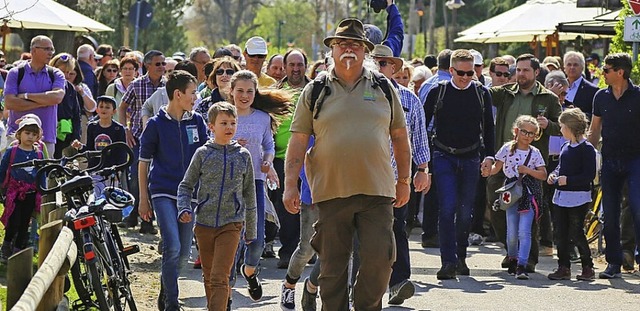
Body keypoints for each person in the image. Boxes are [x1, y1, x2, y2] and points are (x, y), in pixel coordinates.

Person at [283, 18, 410, 310]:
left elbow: (401, 138)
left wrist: (404, 180)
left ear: (366, 51)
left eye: (355, 44)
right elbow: (299, 142)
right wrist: (291, 185)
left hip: (377, 191)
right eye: (342, 44)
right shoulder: (315, 90)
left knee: (380, 260)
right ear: (333, 50)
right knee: (332, 269)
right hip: (330, 192)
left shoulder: (383, 87)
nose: (348, 50)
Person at [176, 101, 257, 311]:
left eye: (232, 122)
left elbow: (250, 193)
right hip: (204, 223)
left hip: (232, 224)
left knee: (221, 277)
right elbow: (186, 185)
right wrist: (184, 208)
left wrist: (251, 229)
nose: (229, 127)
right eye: (224, 123)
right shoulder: (203, 154)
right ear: (211, 126)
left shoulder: (242, 155)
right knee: (210, 276)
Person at [138, 70, 207, 310]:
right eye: (192, 92)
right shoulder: (156, 125)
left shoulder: (197, 121)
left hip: (189, 195)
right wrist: (143, 199)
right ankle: (172, 303)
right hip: (163, 192)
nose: (196, 97)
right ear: (178, 94)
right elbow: (143, 162)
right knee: (173, 246)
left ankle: (166, 289)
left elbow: (206, 156)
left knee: (183, 252)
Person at [423, 49, 495, 280]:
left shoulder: (482, 93)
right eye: (461, 73)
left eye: (470, 73)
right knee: (447, 207)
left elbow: (489, 127)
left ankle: (461, 256)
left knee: (465, 212)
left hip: (471, 156)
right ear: (451, 70)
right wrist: (423, 163)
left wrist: (490, 156)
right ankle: (448, 261)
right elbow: (423, 126)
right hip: (443, 155)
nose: (465, 77)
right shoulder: (438, 91)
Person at [486, 54, 561, 273]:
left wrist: (550, 125)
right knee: (497, 206)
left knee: (530, 215)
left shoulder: (548, 98)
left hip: (531, 165)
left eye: (525, 70)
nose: (520, 74)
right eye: (517, 70)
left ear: (536, 73)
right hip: (504, 161)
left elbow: (562, 127)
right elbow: (482, 93)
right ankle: (512, 251)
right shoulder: (506, 93)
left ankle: (527, 258)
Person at [371, 44, 430, 304]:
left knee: (397, 230)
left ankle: (399, 283)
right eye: (375, 63)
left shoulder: (409, 99)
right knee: (361, 235)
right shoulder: (360, 96)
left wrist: (422, 170)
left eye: (384, 63)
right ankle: (360, 287)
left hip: (397, 179)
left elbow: (419, 137)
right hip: (364, 177)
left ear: (394, 68)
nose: (379, 68)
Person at [227, 70, 286, 303]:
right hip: (228, 183)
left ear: (255, 93)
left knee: (257, 240)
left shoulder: (262, 118)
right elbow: (211, 143)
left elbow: (269, 146)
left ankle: (249, 270)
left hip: (255, 183)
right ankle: (227, 294)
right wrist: (231, 144)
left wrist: (267, 161)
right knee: (231, 239)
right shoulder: (224, 114)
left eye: (249, 91)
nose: (244, 95)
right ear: (231, 92)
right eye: (239, 91)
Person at [588, 52, 640, 278]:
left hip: (636, 160)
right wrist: (586, 152)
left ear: (620, 72)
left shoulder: (639, 96)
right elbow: (594, 129)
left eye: (606, 70)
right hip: (609, 161)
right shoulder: (601, 97)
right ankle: (613, 263)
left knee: (638, 210)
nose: (602, 73)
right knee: (609, 213)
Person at [484, 115, 547, 280]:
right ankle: (512, 257)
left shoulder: (535, 153)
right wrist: (486, 169)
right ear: (517, 131)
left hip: (529, 192)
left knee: (524, 231)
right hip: (511, 192)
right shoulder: (507, 148)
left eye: (532, 133)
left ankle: (522, 265)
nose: (527, 136)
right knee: (511, 232)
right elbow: (496, 169)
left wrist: (528, 170)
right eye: (524, 132)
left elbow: (543, 174)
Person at [118, 50, 167, 234]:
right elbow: (122, 108)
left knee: (154, 179)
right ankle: (133, 214)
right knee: (137, 180)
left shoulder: (168, 86)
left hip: (162, 140)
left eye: (163, 63)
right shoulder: (136, 85)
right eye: (157, 64)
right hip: (139, 138)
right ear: (147, 65)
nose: (162, 67)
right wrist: (125, 129)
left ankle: (148, 220)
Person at [546, 108, 596, 281]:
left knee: (576, 232)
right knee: (560, 231)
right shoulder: (566, 146)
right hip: (561, 196)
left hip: (578, 197)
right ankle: (563, 266)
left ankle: (587, 267)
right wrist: (554, 174)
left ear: (570, 127)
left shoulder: (587, 149)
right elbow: (561, 166)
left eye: (562, 127)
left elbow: (588, 175)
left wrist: (569, 180)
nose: (560, 130)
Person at [4, 35, 65, 156]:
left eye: (52, 49)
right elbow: (10, 103)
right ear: (34, 50)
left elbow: (57, 97)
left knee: (43, 174)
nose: (51, 53)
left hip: (46, 138)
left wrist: (26, 96)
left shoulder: (56, 74)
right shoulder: (16, 73)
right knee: (14, 173)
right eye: (47, 49)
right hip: (17, 137)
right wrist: (46, 101)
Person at [0, 115, 44, 262]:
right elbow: (2, 170)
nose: (30, 137)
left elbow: (41, 173)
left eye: (34, 134)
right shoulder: (12, 151)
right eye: (27, 133)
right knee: (13, 220)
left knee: (25, 222)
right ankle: (6, 246)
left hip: (31, 193)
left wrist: (42, 191)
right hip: (14, 192)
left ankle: (18, 250)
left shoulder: (38, 154)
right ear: (19, 134)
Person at [71, 96, 127, 197]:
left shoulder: (118, 129)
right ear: (97, 109)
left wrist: (119, 169)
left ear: (113, 111)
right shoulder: (92, 127)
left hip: (111, 170)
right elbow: (90, 149)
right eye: (101, 106)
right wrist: (80, 147)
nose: (103, 109)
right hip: (95, 169)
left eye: (107, 107)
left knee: (111, 197)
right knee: (97, 197)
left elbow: (122, 151)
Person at [49, 53, 81, 158]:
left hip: (66, 134)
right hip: (49, 131)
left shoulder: (70, 88)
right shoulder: (47, 85)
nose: (66, 75)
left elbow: (76, 114)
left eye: (69, 72)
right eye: (62, 71)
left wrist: (76, 136)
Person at [563, 51, 598, 119]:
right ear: (564, 68)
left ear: (582, 67)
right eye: (569, 64)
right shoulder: (558, 87)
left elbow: (595, 116)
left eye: (575, 65)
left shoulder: (592, 90)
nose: (572, 67)